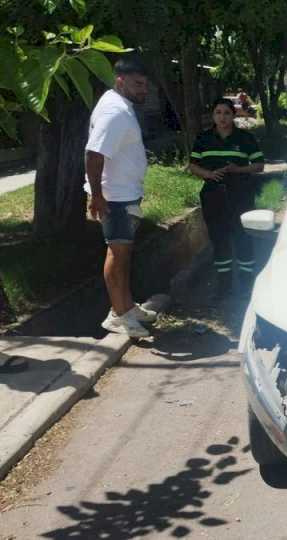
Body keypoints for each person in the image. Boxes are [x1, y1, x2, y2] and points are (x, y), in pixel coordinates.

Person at [85, 56, 156, 338]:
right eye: (138, 84)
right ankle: (118, 315)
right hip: (113, 197)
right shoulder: (114, 112)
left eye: (146, 85)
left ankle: (126, 306)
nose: (144, 90)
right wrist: (98, 196)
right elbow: (94, 153)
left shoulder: (119, 106)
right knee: (117, 254)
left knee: (124, 255)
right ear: (120, 81)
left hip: (122, 194)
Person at [188, 98, 265, 298]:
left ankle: (247, 284)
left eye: (226, 113)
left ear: (234, 115)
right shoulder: (204, 138)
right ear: (213, 115)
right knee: (219, 239)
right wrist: (209, 174)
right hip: (213, 196)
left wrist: (238, 169)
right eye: (218, 113)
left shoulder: (245, 138)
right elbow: (193, 165)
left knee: (243, 237)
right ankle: (225, 285)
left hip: (241, 195)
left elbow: (259, 165)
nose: (222, 117)